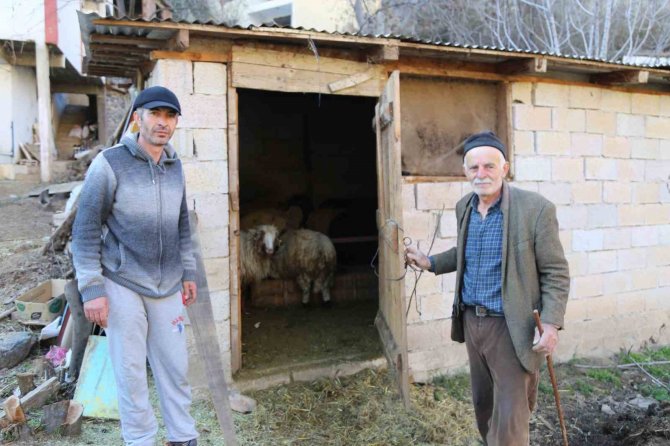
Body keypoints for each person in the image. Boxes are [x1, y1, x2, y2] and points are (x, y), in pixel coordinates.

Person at [405, 131, 569, 446]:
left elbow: (556, 270)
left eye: (489, 166)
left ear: (504, 168)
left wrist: (550, 323)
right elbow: (465, 251)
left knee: (510, 417)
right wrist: (430, 261)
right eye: (474, 168)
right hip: (472, 322)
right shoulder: (465, 206)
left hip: (511, 325)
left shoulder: (535, 209)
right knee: (484, 407)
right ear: (465, 172)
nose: (482, 174)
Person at [72, 86, 199, 446]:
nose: (163, 122)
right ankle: (141, 440)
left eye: (170, 116)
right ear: (137, 118)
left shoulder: (175, 167)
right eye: (155, 114)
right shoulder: (109, 163)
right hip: (122, 282)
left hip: (168, 285)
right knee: (130, 372)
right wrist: (92, 288)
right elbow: (84, 231)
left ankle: (183, 437)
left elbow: (182, 226)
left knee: (175, 368)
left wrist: (187, 272)